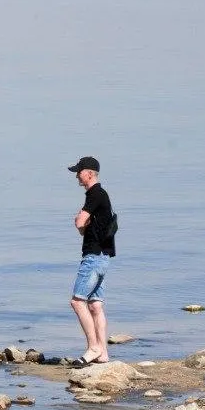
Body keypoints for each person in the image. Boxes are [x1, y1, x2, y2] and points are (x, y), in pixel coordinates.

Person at [67, 155, 116, 365]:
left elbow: (80, 222)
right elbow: (87, 227)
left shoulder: (95, 194)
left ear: (89, 173)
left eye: (79, 172)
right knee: (95, 305)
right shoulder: (101, 195)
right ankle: (103, 354)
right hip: (103, 257)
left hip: (94, 257)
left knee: (78, 302)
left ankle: (94, 347)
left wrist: (80, 222)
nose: (77, 176)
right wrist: (83, 225)